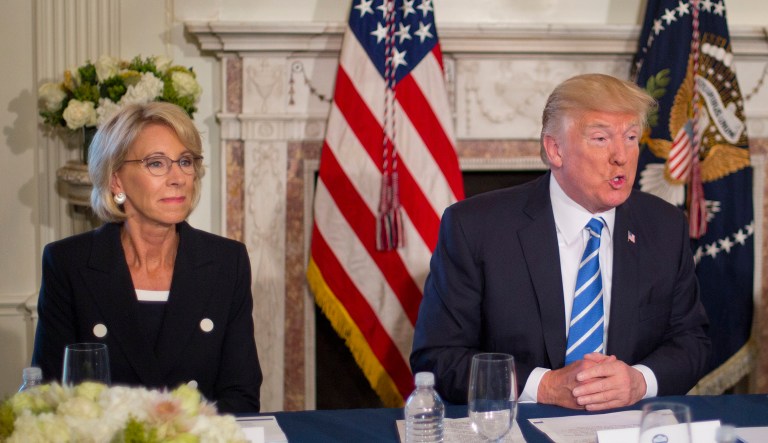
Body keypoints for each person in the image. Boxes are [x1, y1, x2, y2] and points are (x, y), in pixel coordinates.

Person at [410, 73, 710, 411]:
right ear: (555, 150)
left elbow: (692, 341)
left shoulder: (664, 225)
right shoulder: (476, 227)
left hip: (626, 425)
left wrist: (639, 381)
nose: (621, 156)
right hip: (518, 424)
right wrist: (545, 387)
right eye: (601, 138)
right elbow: (437, 358)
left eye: (630, 137)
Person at [32, 102, 263, 413]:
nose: (178, 177)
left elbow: (241, 396)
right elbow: (50, 396)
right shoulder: (68, 263)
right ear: (116, 180)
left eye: (185, 161)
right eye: (156, 163)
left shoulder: (226, 262)